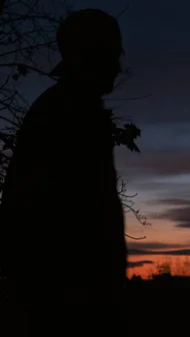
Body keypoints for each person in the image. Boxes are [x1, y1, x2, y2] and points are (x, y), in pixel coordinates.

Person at [0, 9, 127, 336]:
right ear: (92, 56)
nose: (117, 66)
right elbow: (39, 212)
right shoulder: (66, 115)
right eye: (112, 54)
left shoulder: (73, 111)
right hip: (66, 306)